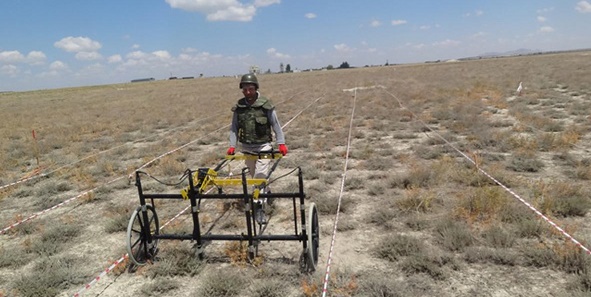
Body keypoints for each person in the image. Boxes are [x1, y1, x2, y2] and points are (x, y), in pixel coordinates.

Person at [227, 73, 288, 182]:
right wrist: (232, 146)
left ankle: (259, 199)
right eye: (245, 90)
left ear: (256, 88)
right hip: (246, 147)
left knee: (260, 175)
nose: (248, 92)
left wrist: (281, 143)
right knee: (253, 174)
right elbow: (234, 128)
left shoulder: (265, 105)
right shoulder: (239, 107)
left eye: (250, 89)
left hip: (263, 146)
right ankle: (265, 193)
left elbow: (276, 125)